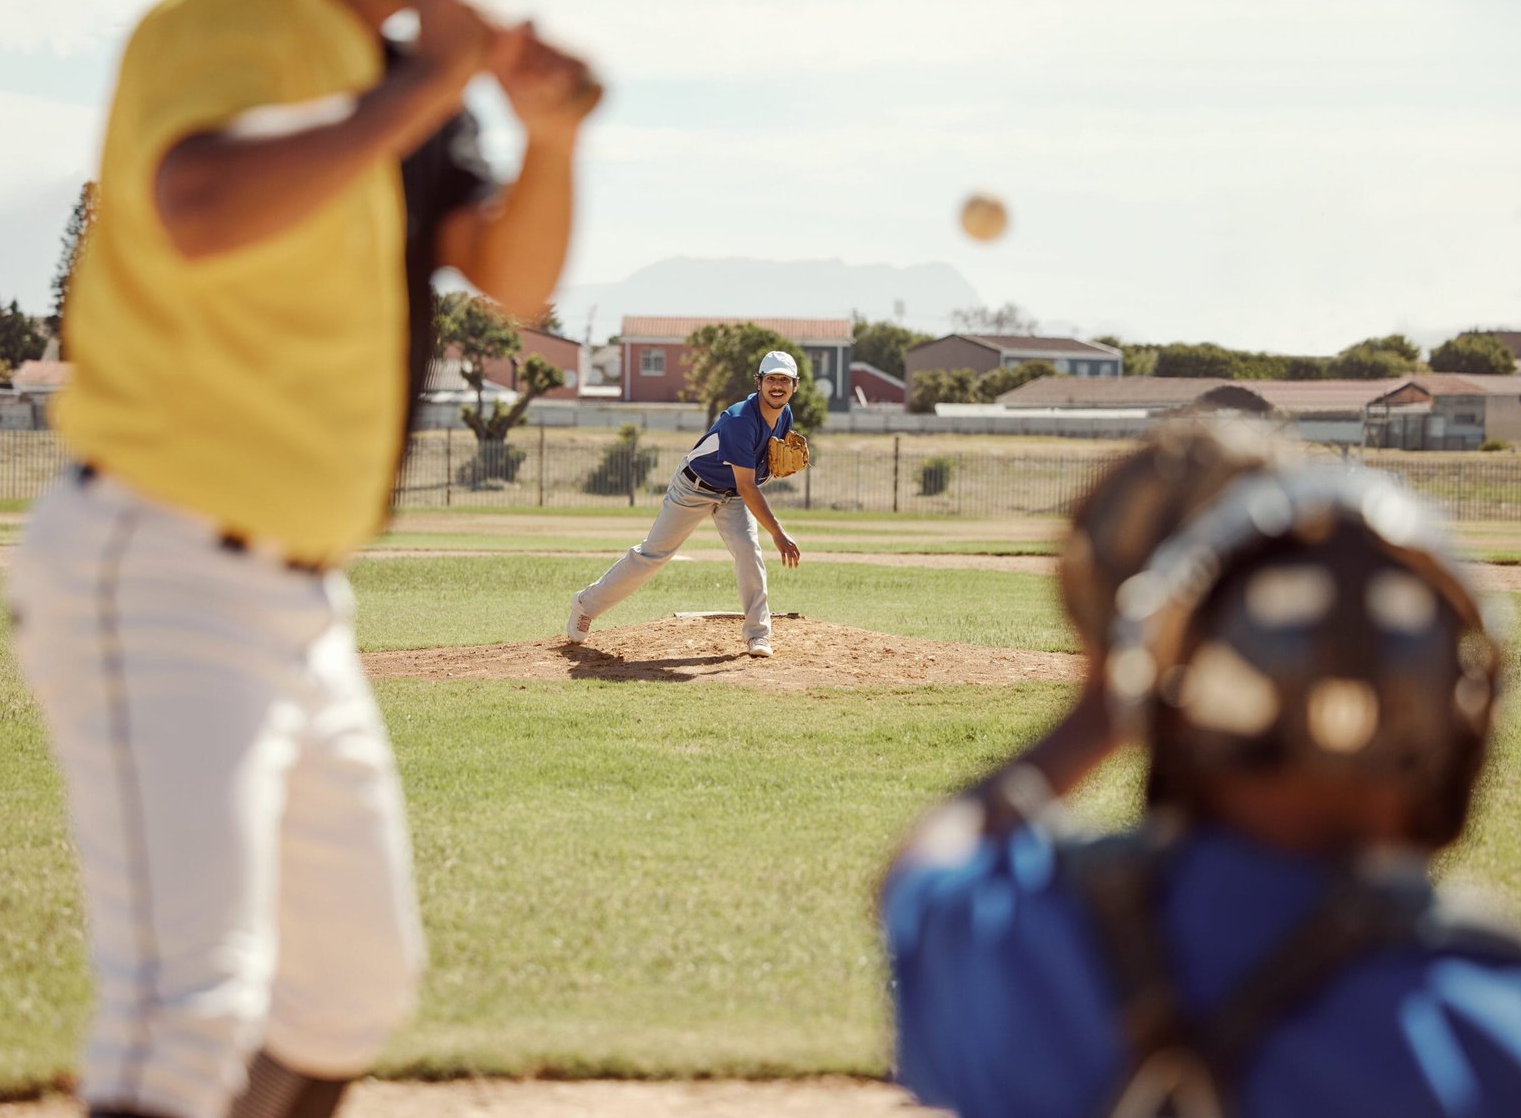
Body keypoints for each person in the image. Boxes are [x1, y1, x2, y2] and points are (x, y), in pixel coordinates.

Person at [3, 0, 598, 1118]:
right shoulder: (229, 23)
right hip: (160, 555)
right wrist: (425, 83)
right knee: (188, 1012)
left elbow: (514, 281)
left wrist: (551, 135)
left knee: (348, 993)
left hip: (300, 602)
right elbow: (202, 203)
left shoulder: (395, 77)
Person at [882, 461, 1521, 1118]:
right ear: (1460, 741)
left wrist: (1104, 706)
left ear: (1173, 713)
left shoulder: (1034, 945)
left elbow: (920, 875)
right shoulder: (1489, 1029)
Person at [565, 350, 804, 657]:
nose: (777, 386)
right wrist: (778, 532)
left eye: (784, 380)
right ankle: (585, 604)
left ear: (794, 386)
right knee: (652, 554)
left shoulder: (785, 415)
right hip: (694, 486)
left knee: (749, 553)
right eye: (771, 378)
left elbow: (755, 474)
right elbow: (747, 485)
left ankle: (758, 635)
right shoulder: (739, 419)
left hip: (731, 495)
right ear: (759, 382)